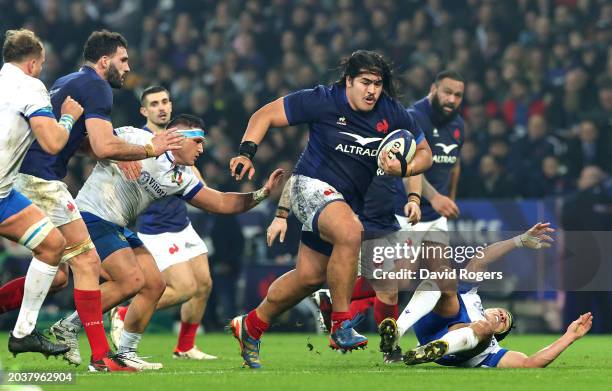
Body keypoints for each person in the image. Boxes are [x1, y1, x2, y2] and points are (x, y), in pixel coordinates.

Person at [228, 50, 432, 368]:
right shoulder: (322, 99)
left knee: (309, 278)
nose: (372, 90)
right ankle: (340, 324)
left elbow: (424, 153)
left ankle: (251, 325)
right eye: (365, 82)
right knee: (351, 231)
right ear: (348, 81)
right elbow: (264, 115)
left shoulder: (392, 112)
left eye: (378, 84)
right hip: (307, 185)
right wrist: (246, 153)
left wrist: (404, 169)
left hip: (341, 204)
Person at [51, 114, 283, 370]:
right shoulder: (136, 138)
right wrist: (117, 154)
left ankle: (124, 351)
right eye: (198, 142)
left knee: (154, 285)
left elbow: (220, 202)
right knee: (132, 281)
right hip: (90, 216)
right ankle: (72, 329)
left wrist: (261, 194)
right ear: (179, 138)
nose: (202, 149)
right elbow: (87, 144)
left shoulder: (181, 177)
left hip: (117, 226)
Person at [13, 30, 181, 371]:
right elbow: (104, 146)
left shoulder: (66, 81)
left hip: (25, 176)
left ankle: (93, 351)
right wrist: (151, 147)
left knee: (60, 276)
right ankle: (101, 356)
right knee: (88, 263)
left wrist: (122, 154)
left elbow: (82, 142)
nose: (127, 67)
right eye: (123, 61)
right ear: (104, 62)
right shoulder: (97, 86)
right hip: (41, 181)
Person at [109, 86, 217, 360]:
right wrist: (120, 161)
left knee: (203, 284)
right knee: (184, 288)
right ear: (144, 111)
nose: (162, 107)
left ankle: (185, 346)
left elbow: (193, 176)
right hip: (154, 228)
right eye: (154, 103)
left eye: (166, 101)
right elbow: (106, 148)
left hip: (181, 223)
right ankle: (123, 312)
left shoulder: (179, 138)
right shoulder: (140, 139)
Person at [393, 224, 593, 368]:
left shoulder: (492, 350)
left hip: (453, 349)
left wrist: (569, 337)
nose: (503, 316)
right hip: (431, 319)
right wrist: (519, 240)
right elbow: (482, 258)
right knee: (445, 276)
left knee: (483, 328)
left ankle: (435, 349)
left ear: (499, 335)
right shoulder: (471, 295)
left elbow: (529, 362)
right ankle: (397, 331)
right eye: (504, 313)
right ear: (489, 308)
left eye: (504, 323)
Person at [0, 28, 82, 358]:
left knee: (52, 246)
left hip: (5, 194)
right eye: (43, 64)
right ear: (33, 63)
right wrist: (68, 117)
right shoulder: (31, 87)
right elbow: (53, 143)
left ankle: (24, 333)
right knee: (54, 251)